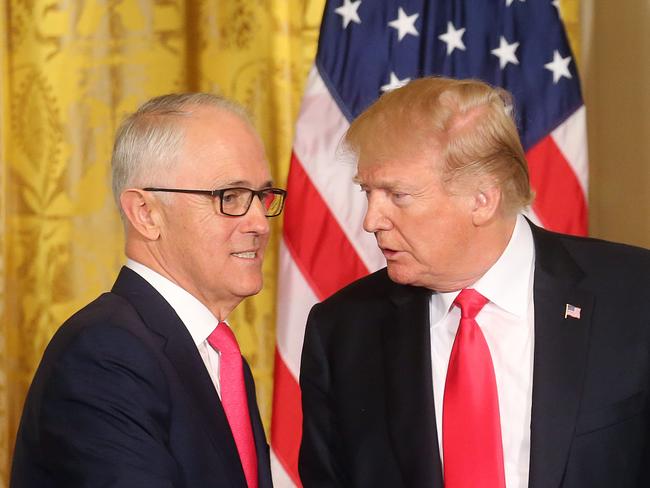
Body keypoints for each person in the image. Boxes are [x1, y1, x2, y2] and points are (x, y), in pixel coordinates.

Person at [299, 77, 650, 488]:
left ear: (482, 198)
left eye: (397, 195)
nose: (371, 220)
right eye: (368, 192)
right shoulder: (342, 331)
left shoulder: (635, 297)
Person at [11, 93, 286, 487]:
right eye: (231, 197)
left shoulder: (218, 355)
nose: (259, 222)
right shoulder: (105, 354)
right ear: (146, 214)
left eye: (262, 196)